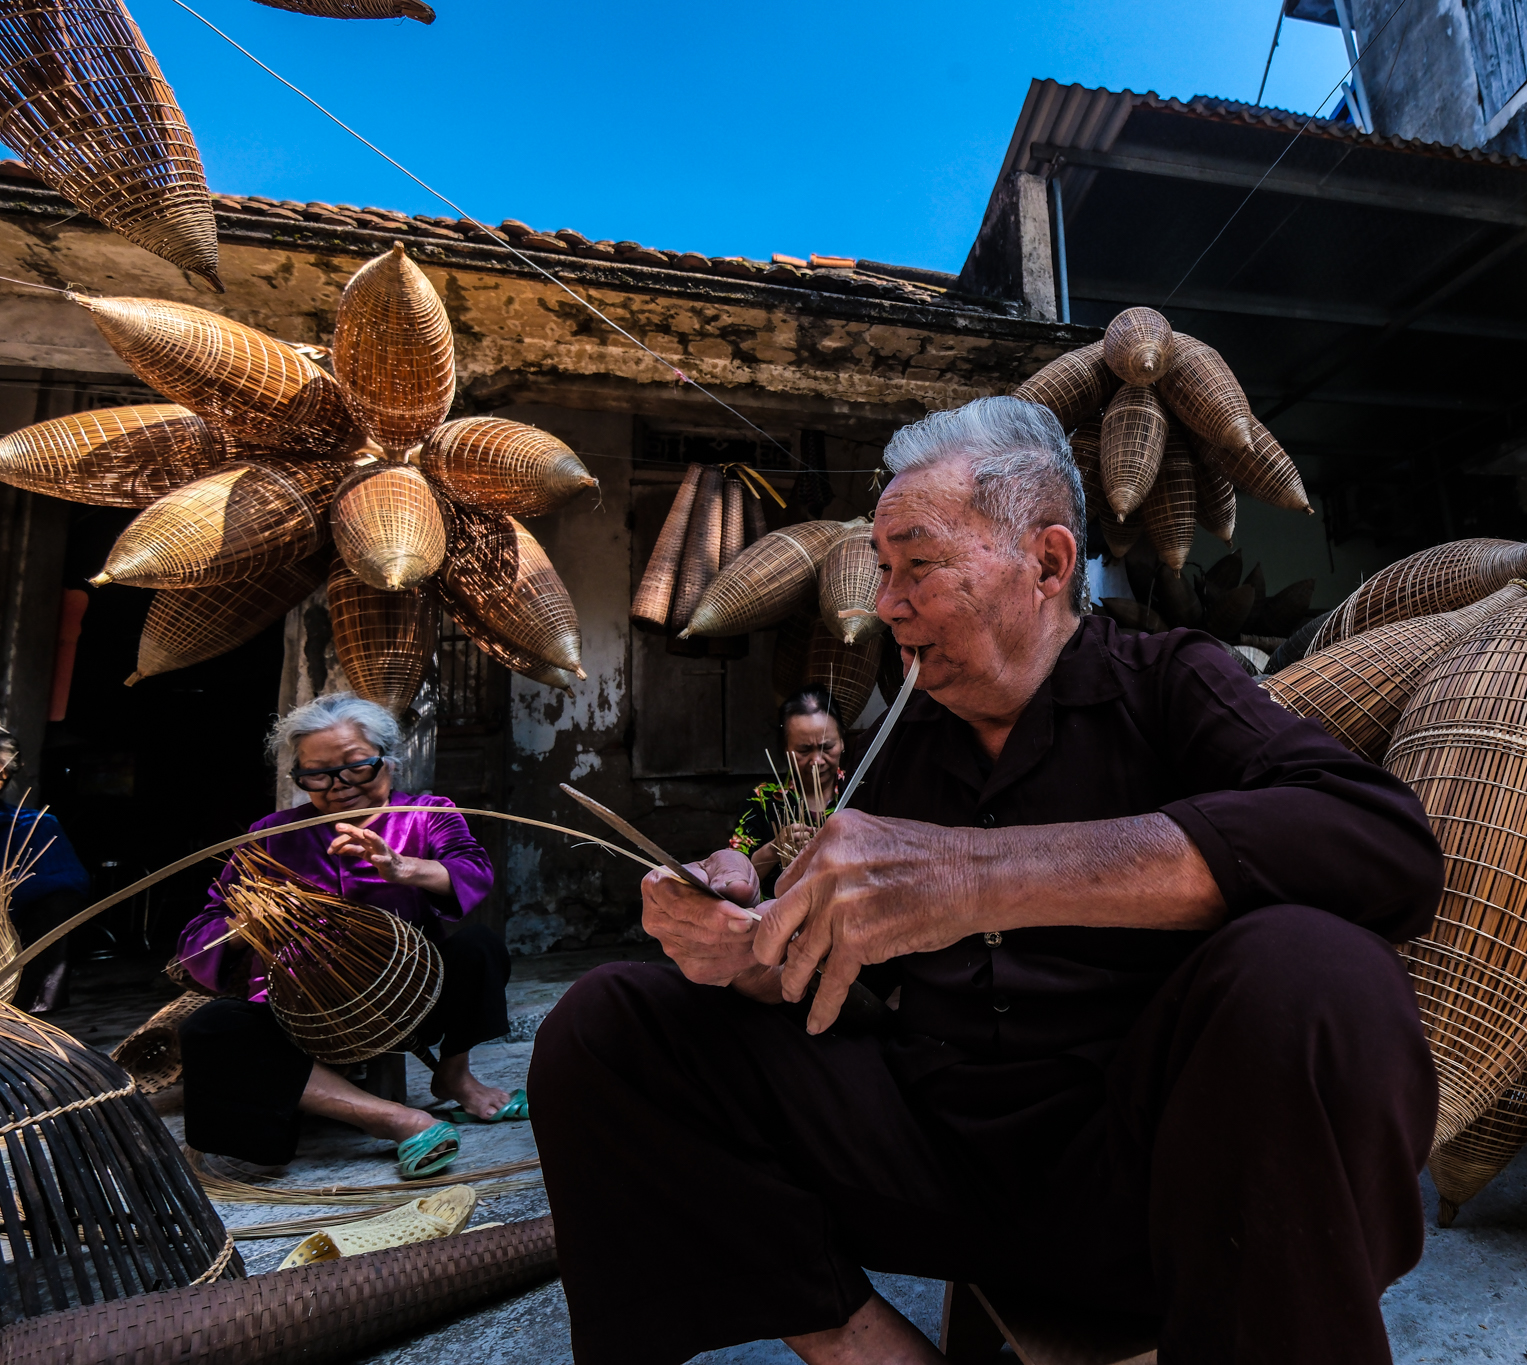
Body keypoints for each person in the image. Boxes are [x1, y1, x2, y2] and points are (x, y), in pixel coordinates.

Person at [531, 396, 1444, 1365]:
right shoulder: (901, 740)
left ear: (1046, 564)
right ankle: (869, 1352)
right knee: (607, 1031)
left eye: (917, 566)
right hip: (937, 1164)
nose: (885, 605)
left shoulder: (1168, 685)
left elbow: (1381, 848)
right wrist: (746, 939)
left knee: (1316, 973)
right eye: (882, 571)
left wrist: (981, 876)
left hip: (1155, 1178)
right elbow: (828, 983)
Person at [175, 694, 520, 1181]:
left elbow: (470, 870)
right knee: (211, 1027)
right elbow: (197, 939)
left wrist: (402, 868)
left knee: (479, 947)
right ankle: (395, 1119)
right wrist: (247, 926)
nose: (339, 787)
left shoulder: (426, 813)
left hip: (409, 995)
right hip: (298, 1012)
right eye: (317, 774)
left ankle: (455, 1075)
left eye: (358, 768)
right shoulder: (269, 837)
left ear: (389, 759)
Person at [0, 727, 90, 1014]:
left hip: (10, 947)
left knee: (57, 904)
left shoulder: (34, 826)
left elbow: (69, 885)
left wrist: (11, 890)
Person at [730, 687, 846, 880]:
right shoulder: (763, 801)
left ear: (842, 740)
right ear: (785, 748)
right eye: (804, 749)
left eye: (827, 747)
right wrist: (773, 849)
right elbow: (732, 878)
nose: (817, 760)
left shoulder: (862, 792)